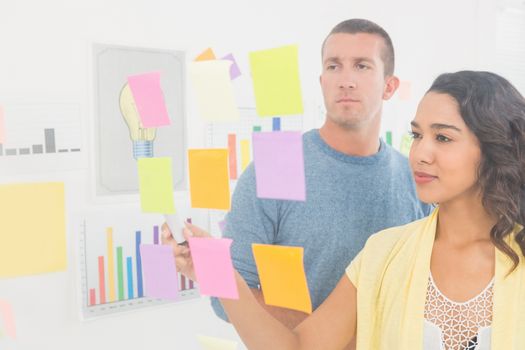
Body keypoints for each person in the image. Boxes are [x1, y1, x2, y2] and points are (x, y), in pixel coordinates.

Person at [164, 71, 525, 349]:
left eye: (442, 137)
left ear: (494, 148)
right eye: (417, 135)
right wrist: (218, 273)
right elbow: (298, 347)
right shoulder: (383, 253)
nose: (421, 153)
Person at [207, 18, 432, 333]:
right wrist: (330, 338)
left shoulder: (415, 178)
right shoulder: (273, 167)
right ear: (322, 80)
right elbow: (227, 296)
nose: (346, 80)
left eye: (362, 66)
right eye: (334, 66)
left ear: (389, 86)